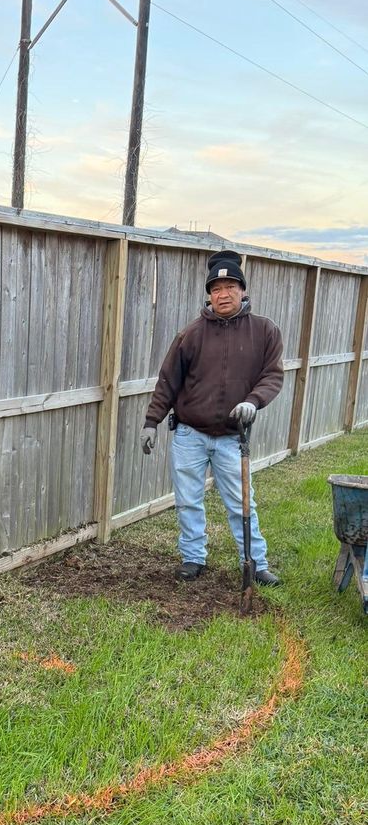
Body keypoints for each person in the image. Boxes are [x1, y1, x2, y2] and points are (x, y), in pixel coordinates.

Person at [140, 250, 284, 584]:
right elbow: (168, 381)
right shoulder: (190, 334)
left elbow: (272, 376)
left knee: (241, 503)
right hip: (189, 435)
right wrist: (152, 421)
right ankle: (193, 558)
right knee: (188, 501)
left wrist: (253, 401)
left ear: (243, 290)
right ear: (209, 294)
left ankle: (255, 562)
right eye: (216, 288)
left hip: (234, 438)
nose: (223, 294)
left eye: (230, 286)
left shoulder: (264, 331)